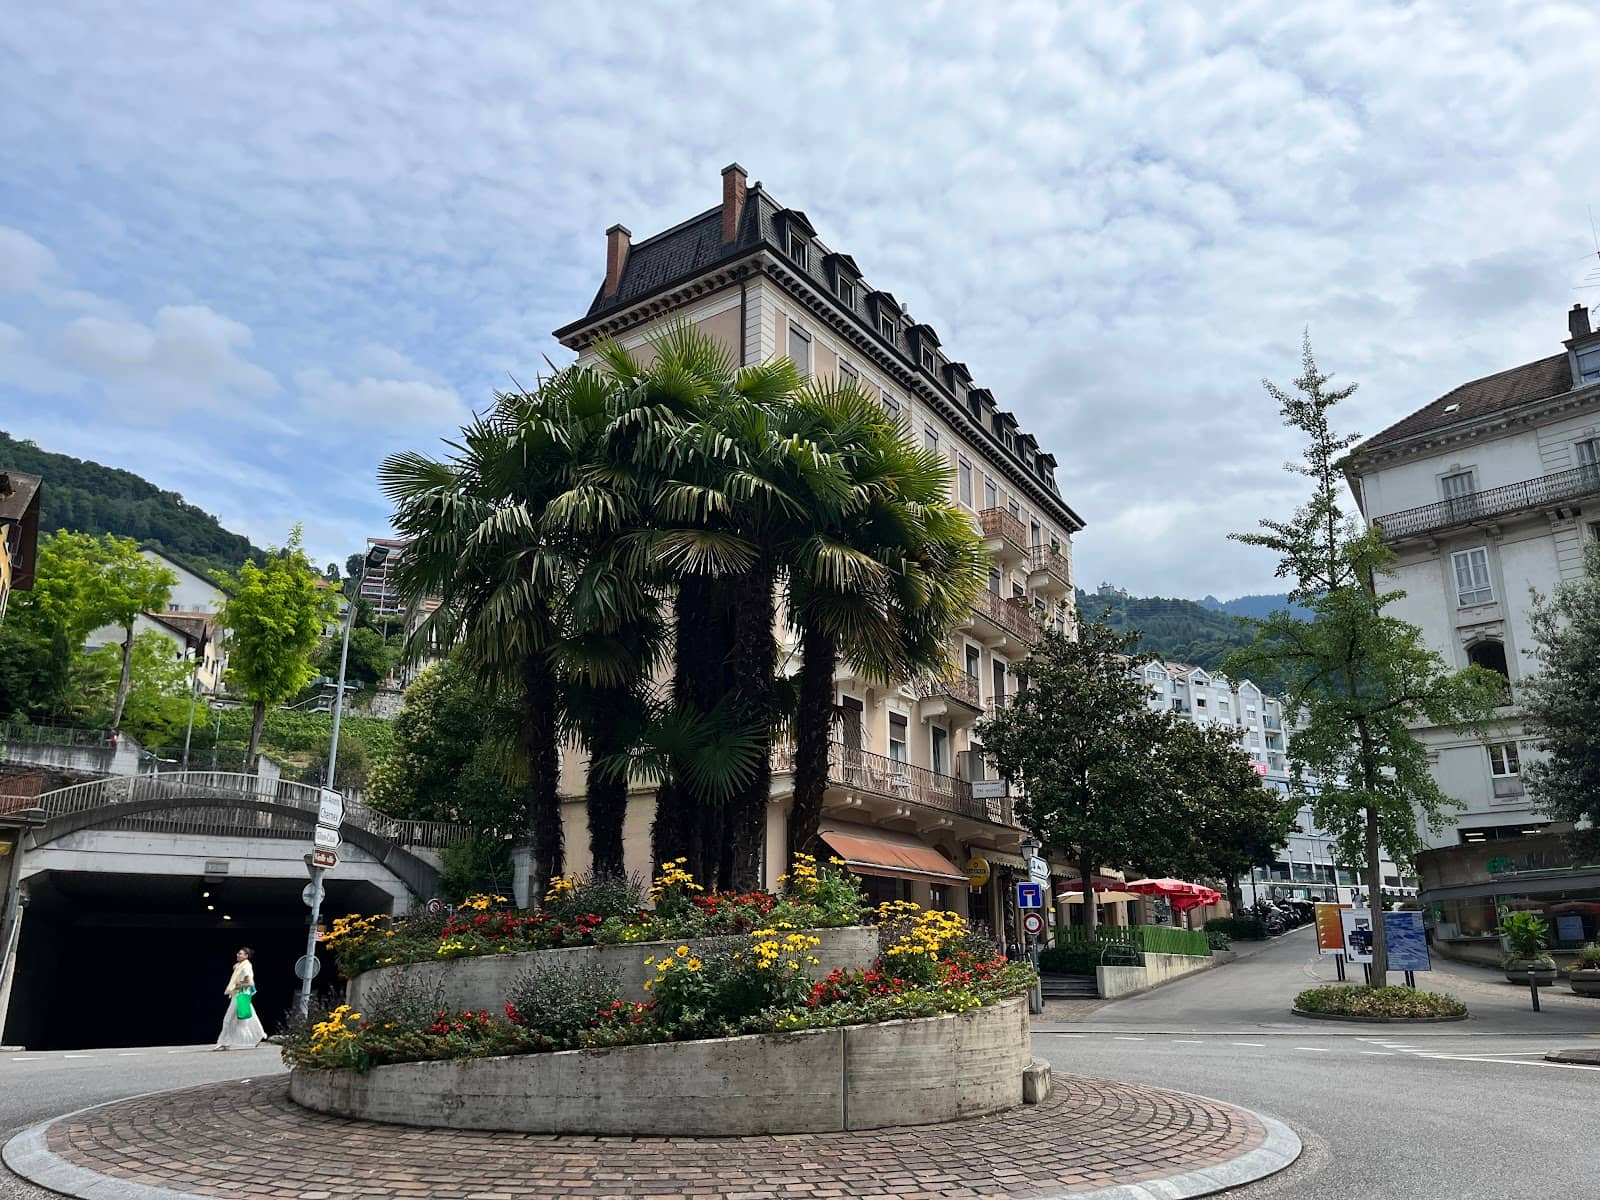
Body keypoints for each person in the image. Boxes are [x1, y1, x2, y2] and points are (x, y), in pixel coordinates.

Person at [214, 947, 266, 1050]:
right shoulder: (240, 966)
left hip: (240, 994)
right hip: (241, 995)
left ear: (246, 956)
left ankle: (223, 1041)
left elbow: (249, 983)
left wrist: (238, 985)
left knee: (228, 1019)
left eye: (241, 954)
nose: (238, 955)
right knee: (250, 1017)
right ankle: (260, 1034)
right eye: (238, 953)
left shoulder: (245, 967)